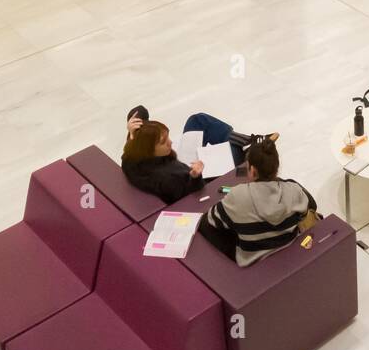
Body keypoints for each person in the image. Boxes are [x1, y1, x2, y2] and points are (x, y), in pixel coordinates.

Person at [122, 106, 277, 204]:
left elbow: (141, 110)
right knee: (234, 150)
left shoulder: (132, 158)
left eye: (167, 137)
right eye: (163, 142)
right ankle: (250, 144)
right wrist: (196, 176)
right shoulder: (168, 178)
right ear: (149, 149)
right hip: (199, 179)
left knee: (197, 121)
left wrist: (132, 133)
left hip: (182, 166)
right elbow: (196, 195)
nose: (170, 142)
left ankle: (249, 143)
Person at [201, 137, 317, 267]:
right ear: (276, 168)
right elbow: (311, 206)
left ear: (252, 170)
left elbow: (210, 221)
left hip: (252, 259)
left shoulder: (237, 195)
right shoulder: (294, 190)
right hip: (287, 246)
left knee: (208, 225)